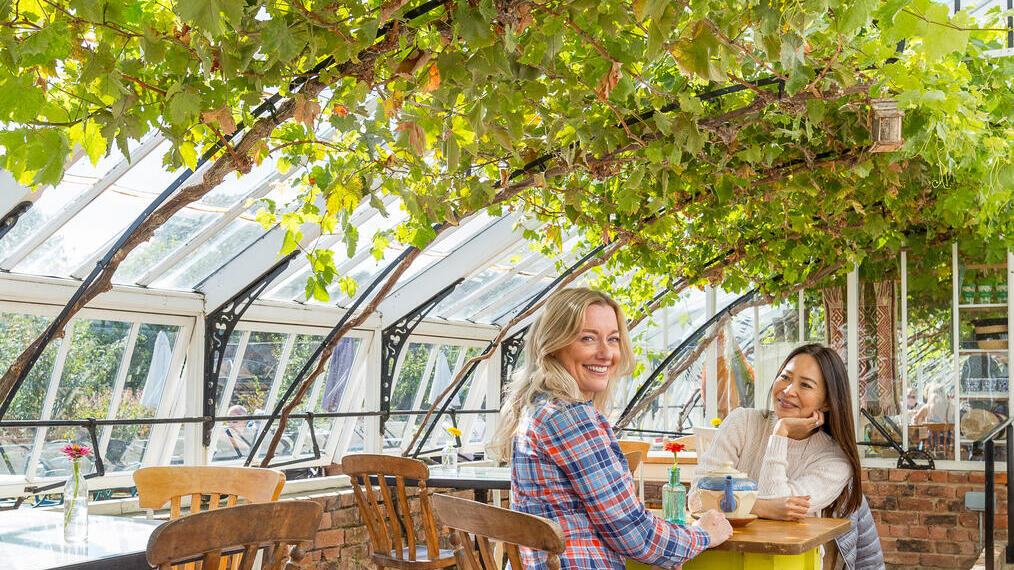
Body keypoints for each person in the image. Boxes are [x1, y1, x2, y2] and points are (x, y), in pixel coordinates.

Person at [490, 288, 732, 569]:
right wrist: (701, 535)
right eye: (588, 338)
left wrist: (669, 550)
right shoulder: (570, 417)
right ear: (553, 345)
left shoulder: (536, 409)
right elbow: (634, 535)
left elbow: (614, 526)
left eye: (613, 339)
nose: (606, 353)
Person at [688, 343, 864, 569]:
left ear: (828, 402)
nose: (788, 390)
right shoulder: (742, 422)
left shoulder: (834, 462)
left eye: (805, 385)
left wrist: (780, 433)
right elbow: (696, 498)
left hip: (786, 562)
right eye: (785, 377)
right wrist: (762, 508)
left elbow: (776, 499)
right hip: (719, 554)